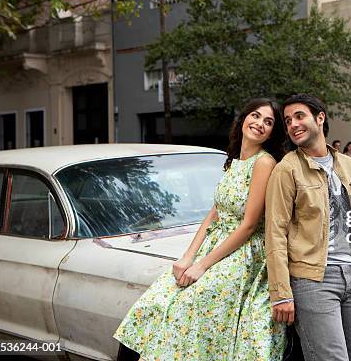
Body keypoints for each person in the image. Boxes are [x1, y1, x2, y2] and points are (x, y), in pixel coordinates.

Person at [114, 98, 287, 360]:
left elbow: (249, 224)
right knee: (159, 299)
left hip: (243, 251)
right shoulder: (233, 160)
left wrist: (202, 265)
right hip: (215, 243)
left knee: (196, 300)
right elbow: (214, 213)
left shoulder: (264, 163)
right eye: (255, 116)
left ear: (272, 132)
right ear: (243, 120)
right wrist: (187, 257)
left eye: (268, 122)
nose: (259, 124)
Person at [265, 94, 351, 361]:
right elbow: (275, 234)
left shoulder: (348, 164)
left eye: (299, 116)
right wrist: (281, 294)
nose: (293, 125)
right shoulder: (287, 170)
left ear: (320, 118)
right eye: (287, 121)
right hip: (313, 280)